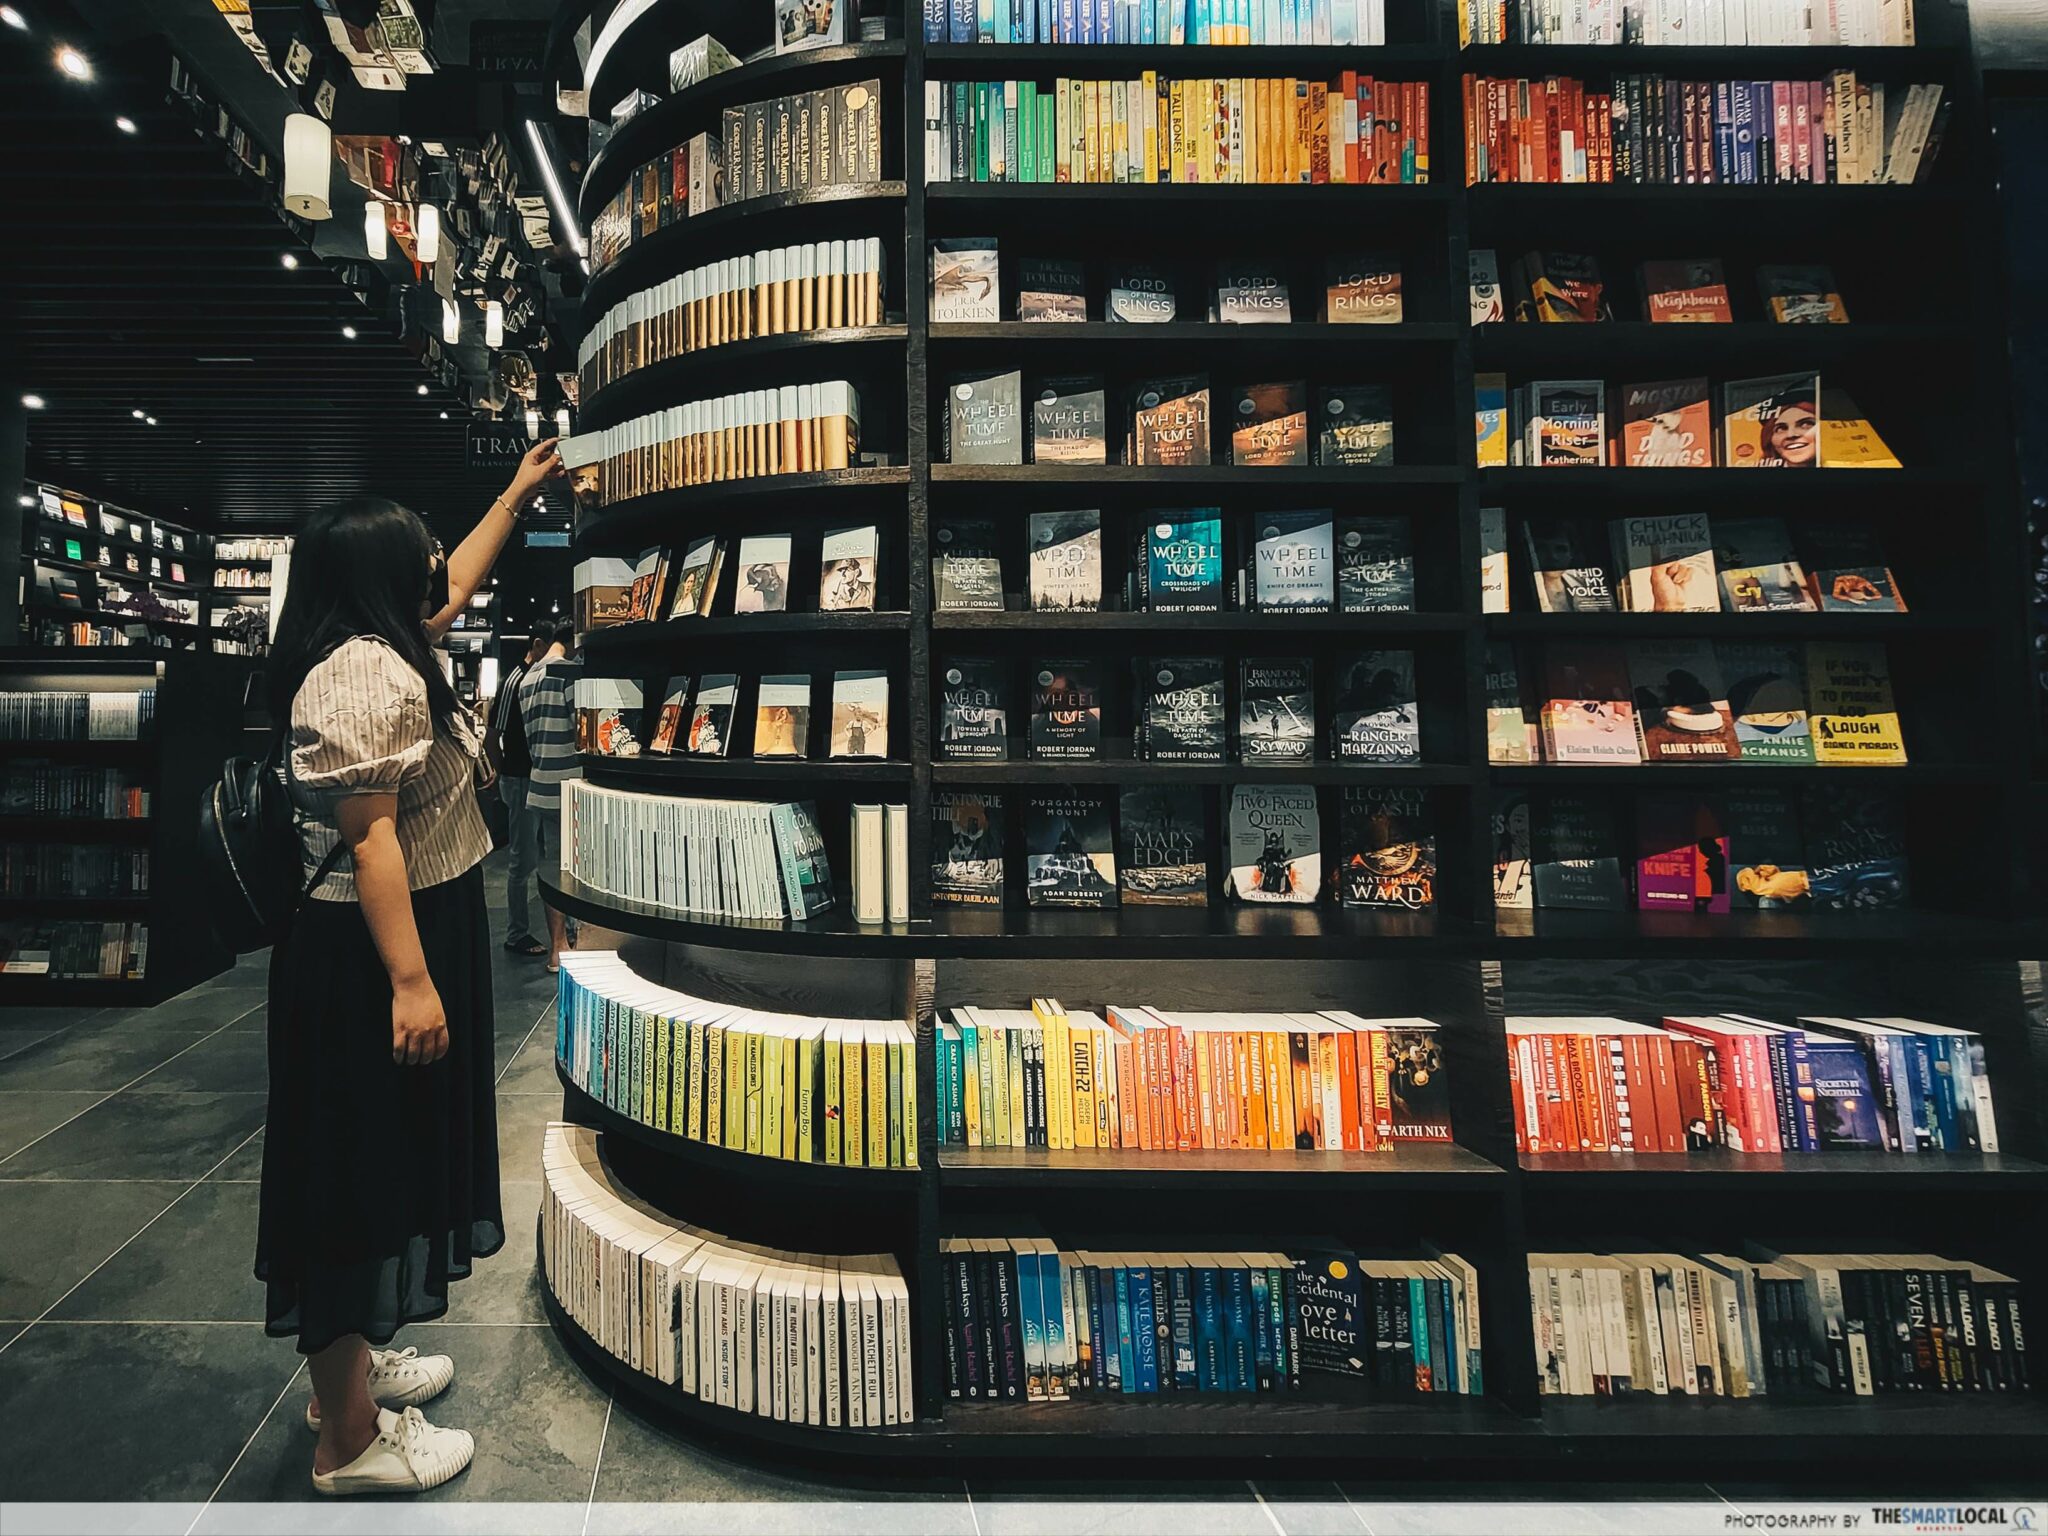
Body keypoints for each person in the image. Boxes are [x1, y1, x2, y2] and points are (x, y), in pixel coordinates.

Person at [258, 440, 564, 1497]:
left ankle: (349, 1367)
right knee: (346, 1174)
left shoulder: (382, 642)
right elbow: (373, 839)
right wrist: (411, 980)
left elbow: (461, 578)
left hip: (386, 940)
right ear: (385, 576)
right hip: (366, 956)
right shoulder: (362, 674)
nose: (441, 563)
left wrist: (519, 492)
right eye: (422, 554)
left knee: (370, 1163)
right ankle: (345, 1440)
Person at [517, 619, 582, 972]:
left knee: (553, 868)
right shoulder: (569, 673)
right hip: (573, 787)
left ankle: (557, 948)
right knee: (581, 869)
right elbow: (582, 730)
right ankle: (581, 942)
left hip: (540, 782)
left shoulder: (527, 679)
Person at [492, 632, 550, 957]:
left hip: (529, 777)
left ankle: (522, 931)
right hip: (519, 778)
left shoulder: (532, 678)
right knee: (522, 859)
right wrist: (503, 775)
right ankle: (516, 933)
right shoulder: (515, 679)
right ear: (538, 644)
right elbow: (493, 733)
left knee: (530, 856)